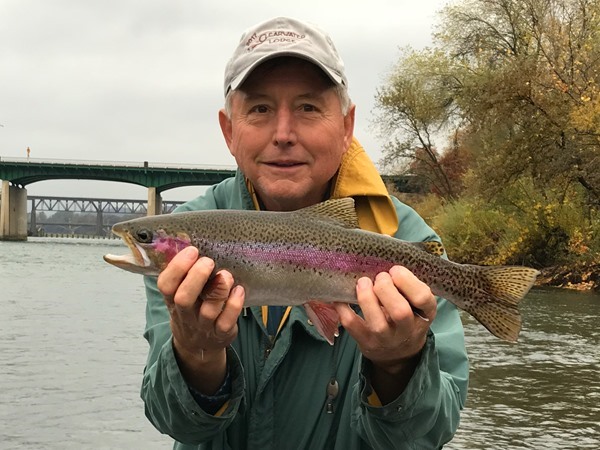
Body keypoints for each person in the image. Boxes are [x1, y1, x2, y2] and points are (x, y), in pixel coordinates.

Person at [141, 17, 468, 449]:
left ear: (347, 126)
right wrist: (195, 355)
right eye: (259, 109)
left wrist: (400, 365)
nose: (283, 134)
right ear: (228, 130)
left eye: (308, 108)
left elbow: (434, 433)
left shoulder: (405, 240)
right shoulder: (190, 237)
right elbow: (177, 424)